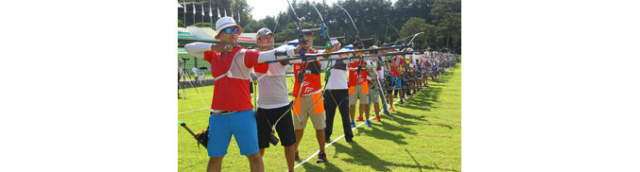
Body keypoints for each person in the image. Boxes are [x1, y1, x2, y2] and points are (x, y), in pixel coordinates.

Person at [184, 17, 304, 172]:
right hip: (218, 116)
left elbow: (269, 55)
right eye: (228, 30)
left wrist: (293, 50)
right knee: (215, 158)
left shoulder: (244, 53)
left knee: (254, 157)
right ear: (219, 35)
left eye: (235, 30)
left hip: (242, 115)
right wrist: (214, 47)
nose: (233, 33)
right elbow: (189, 47)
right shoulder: (213, 55)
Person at [252, 28, 297, 172]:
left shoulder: (281, 54)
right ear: (258, 42)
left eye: (271, 37)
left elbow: (292, 53)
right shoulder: (255, 57)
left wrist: (300, 48)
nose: (269, 40)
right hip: (263, 108)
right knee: (260, 145)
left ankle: (291, 170)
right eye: (265, 38)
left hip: (283, 106)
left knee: (289, 142)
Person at [291, 29, 328, 163]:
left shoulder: (315, 53)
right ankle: (294, 150)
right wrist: (299, 50)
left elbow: (325, 55)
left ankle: (322, 152)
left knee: (319, 127)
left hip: (315, 97)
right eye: (305, 39)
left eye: (310, 39)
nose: (308, 42)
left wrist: (329, 49)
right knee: (298, 129)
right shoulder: (294, 54)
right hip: (299, 98)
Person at [323, 39, 354, 143]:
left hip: (343, 90)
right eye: (334, 46)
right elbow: (322, 61)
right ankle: (326, 135)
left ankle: (348, 136)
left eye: (337, 46)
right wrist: (327, 52)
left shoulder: (343, 57)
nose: (336, 48)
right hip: (330, 90)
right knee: (329, 116)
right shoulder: (327, 59)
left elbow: (351, 58)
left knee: (345, 115)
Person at [348, 42, 372, 127]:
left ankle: (367, 119)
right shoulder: (350, 57)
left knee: (365, 103)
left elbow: (370, 62)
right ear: (354, 49)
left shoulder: (364, 58)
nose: (359, 50)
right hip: (352, 84)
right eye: (357, 48)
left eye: (360, 48)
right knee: (352, 104)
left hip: (364, 83)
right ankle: (352, 120)